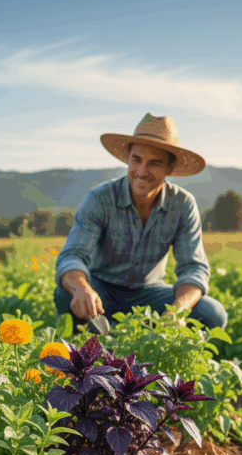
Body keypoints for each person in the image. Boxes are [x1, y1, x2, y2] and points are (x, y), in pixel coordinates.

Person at [53, 113, 227, 334]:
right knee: (66, 293)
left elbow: (194, 268)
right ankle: (100, 344)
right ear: (128, 159)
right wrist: (82, 289)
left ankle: (143, 339)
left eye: (154, 163)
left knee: (212, 313)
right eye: (136, 160)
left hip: (150, 293)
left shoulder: (183, 205)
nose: (141, 172)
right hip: (102, 290)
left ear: (169, 169)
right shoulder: (100, 198)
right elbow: (72, 256)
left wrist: (177, 311)